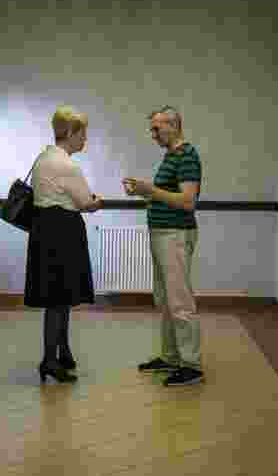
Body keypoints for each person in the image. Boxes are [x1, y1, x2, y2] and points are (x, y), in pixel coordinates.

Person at [122, 106, 204, 386]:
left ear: (174, 125)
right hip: (161, 235)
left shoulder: (187, 155)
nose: (153, 134)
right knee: (166, 300)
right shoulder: (171, 156)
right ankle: (170, 357)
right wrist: (143, 193)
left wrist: (150, 190)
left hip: (175, 235)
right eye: (152, 129)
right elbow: (167, 197)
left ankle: (191, 365)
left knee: (179, 302)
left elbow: (188, 201)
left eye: (157, 129)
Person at [24, 105, 104, 384]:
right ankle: (49, 360)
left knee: (59, 296)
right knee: (59, 300)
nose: (85, 139)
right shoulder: (67, 165)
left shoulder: (44, 158)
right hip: (62, 231)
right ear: (70, 133)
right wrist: (97, 202)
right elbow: (85, 202)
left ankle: (63, 352)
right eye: (82, 134)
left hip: (44, 229)